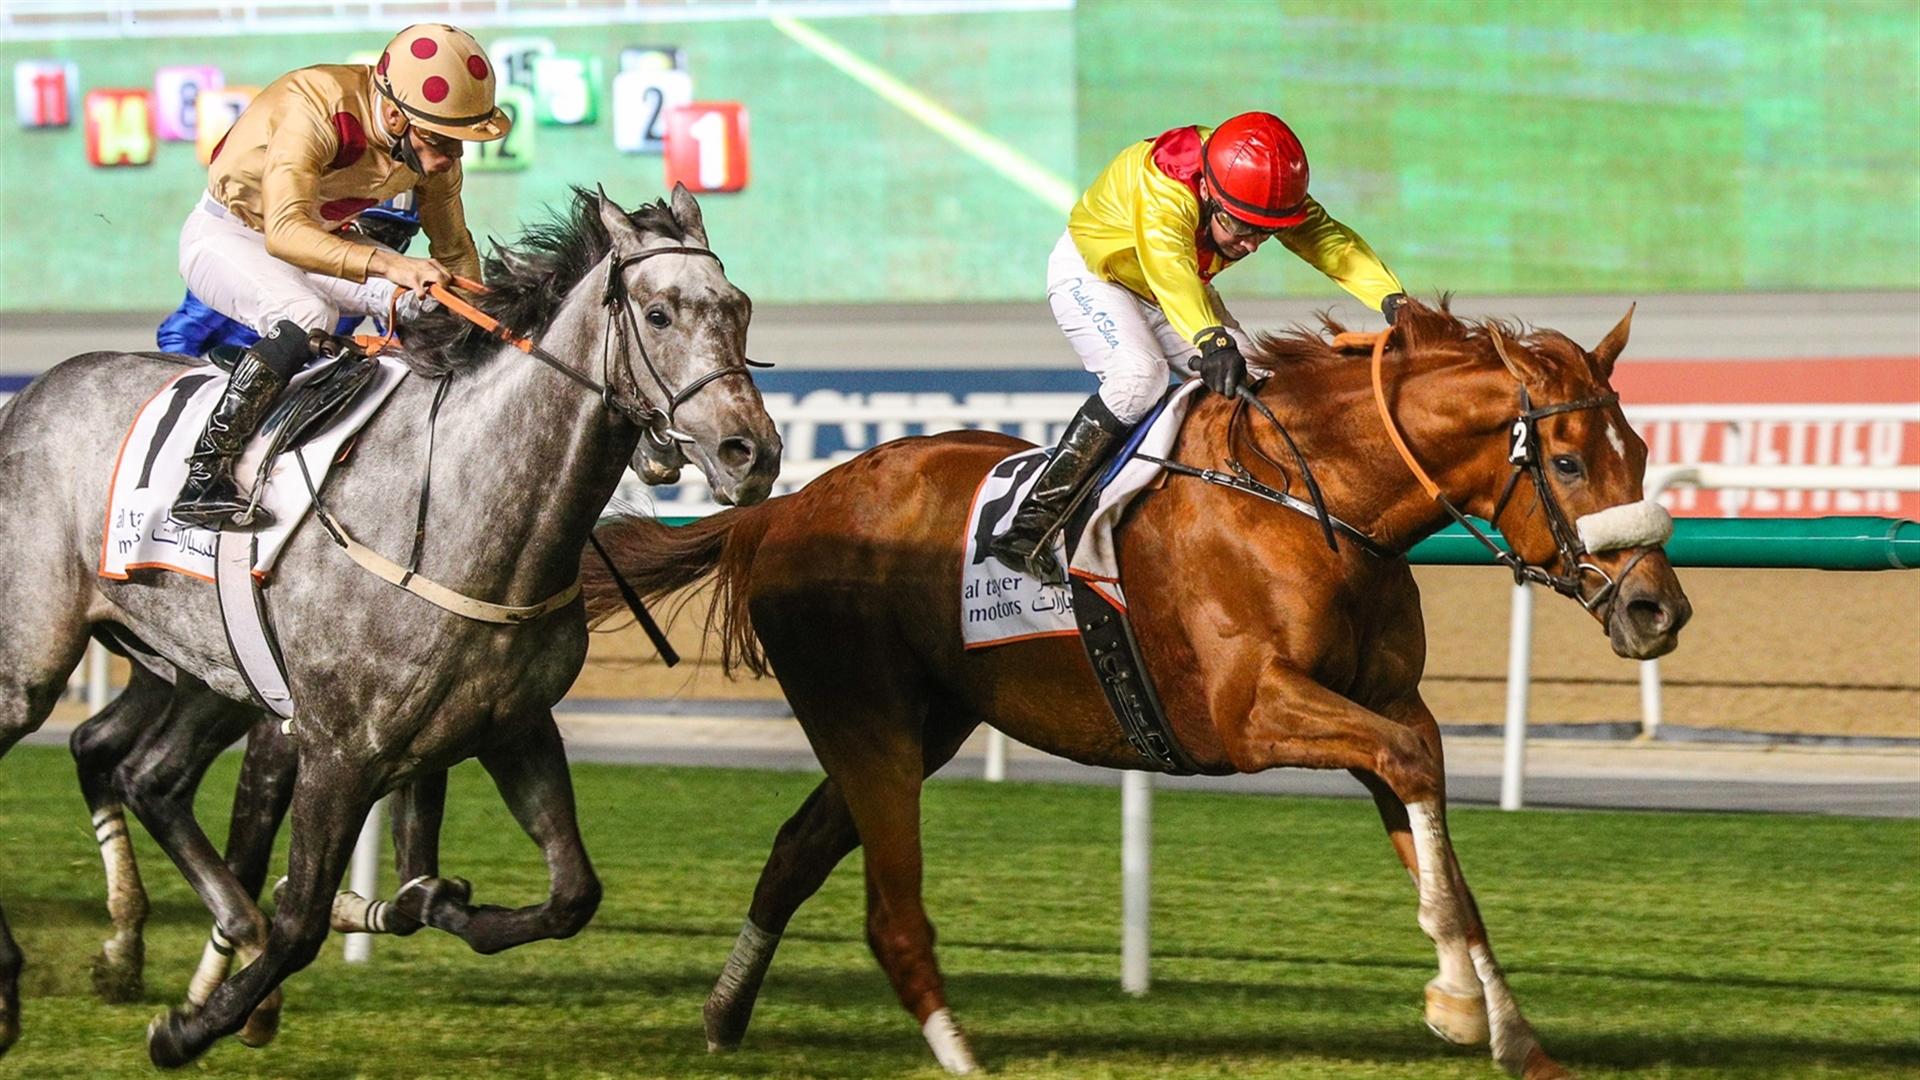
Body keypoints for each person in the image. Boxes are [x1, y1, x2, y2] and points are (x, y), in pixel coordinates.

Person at [988, 111, 1408, 581]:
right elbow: (1168, 265)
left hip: (1177, 285)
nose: (1252, 246)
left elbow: (1327, 241)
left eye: (1264, 233)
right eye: (1242, 230)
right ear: (1208, 192)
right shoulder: (1166, 186)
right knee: (1139, 377)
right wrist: (1211, 339)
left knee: (1262, 386)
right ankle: (1031, 527)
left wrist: (1392, 298)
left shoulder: (1254, 183)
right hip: (1096, 274)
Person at [170, 24, 508, 529]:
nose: (447, 160)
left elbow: (454, 250)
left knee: (429, 297)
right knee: (310, 313)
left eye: (458, 144)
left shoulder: (428, 147)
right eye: (439, 142)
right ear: (395, 115)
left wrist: (487, 327)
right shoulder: (316, 105)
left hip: (319, 238)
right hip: (229, 235)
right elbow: (284, 233)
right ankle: (203, 476)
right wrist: (393, 263)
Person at [157, 194, 422, 356]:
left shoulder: (369, 279)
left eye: (397, 236)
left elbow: (401, 335)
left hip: (302, 383)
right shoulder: (241, 261)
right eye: (376, 231)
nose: (385, 244)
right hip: (232, 375)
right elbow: (177, 335)